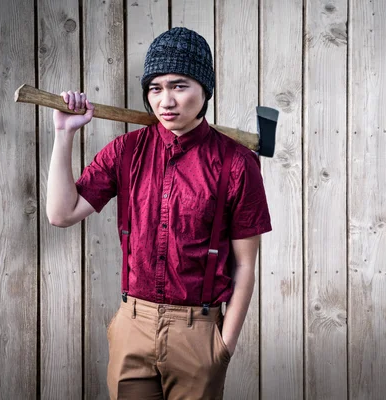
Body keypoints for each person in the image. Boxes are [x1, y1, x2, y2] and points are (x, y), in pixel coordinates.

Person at [46, 27, 272, 399]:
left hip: (198, 333)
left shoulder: (236, 164)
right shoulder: (125, 151)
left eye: (179, 86)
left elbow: (245, 265)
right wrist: (64, 133)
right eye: (155, 87)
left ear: (205, 89)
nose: (165, 100)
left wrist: (223, 346)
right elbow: (61, 213)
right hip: (132, 327)